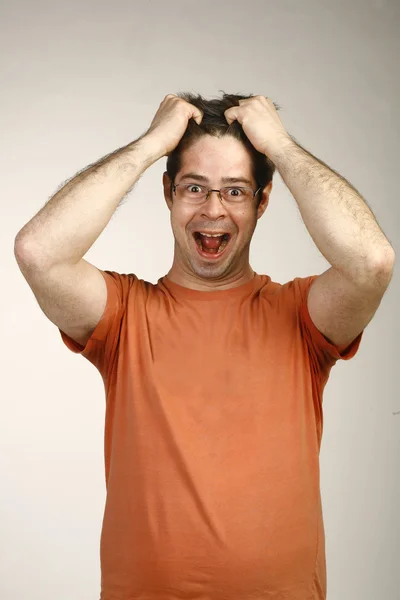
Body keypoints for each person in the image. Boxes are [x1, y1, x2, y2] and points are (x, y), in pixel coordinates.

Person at [14, 92, 395, 600]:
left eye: (235, 192)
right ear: (168, 193)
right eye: (195, 188)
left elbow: (371, 261)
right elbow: (38, 252)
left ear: (262, 202)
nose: (213, 209)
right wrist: (151, 145)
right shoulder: (125, 314)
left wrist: (280, 146)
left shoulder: (301, 316)